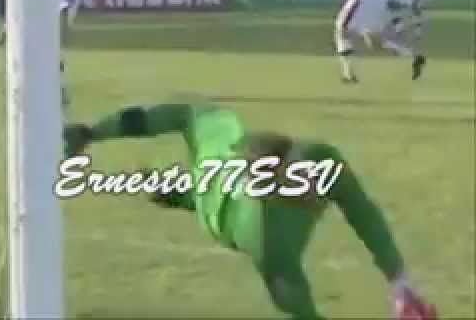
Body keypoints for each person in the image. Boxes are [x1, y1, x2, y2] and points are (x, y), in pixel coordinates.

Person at [63, 103, 439, 320]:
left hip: (217, 169)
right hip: (219, 211)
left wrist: (400, 282)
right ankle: (169, 189)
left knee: (194, 131)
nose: (306, 186)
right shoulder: (268, 241)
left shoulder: (321, 158)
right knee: (201, 199)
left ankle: (165, 187)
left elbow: (362, 211)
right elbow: (302, 312)